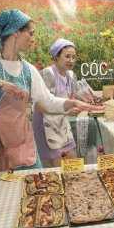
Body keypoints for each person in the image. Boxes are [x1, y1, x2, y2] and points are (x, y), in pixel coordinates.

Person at [0, 9, 101, 171]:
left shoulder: (28, 70)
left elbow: (48, 102)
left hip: (23, 148)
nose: (33, 39)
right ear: (14, 32)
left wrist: (74, 103)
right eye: (30, 33)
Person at [32, 39, 79, 167]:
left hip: (62, 123)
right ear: (56, 57)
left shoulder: (71, 76)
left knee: (72, 159)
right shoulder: (48, 74)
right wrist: (67, 110)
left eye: (73, 57)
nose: (71, 60)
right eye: (67, 56)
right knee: (58, 163)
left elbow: (71, 100)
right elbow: (41, 106)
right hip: (46, 124)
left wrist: (78, 107)